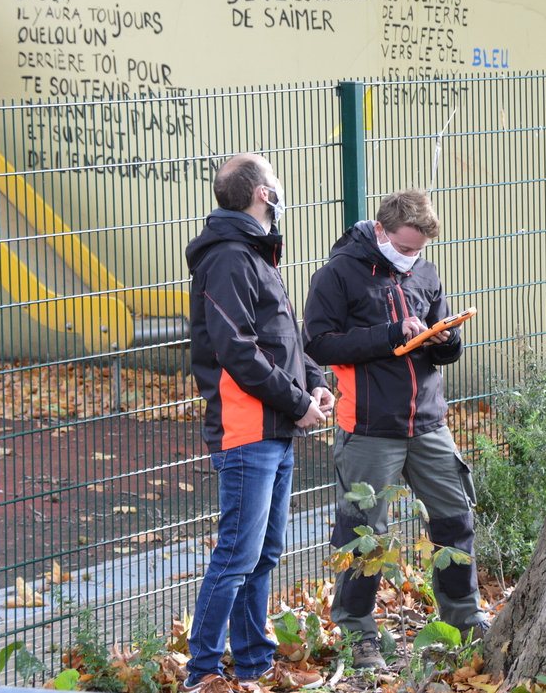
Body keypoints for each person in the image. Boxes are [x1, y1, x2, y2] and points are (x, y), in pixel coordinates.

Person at [301, 189, 488, 669]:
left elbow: (438, 343)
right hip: (368, 428)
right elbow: (319, 344)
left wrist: (445, 339)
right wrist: (389, 336)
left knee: (454, 519)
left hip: (428, 422)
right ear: (381, 232)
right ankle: (357, 634)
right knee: (367, 534)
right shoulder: (338, 274)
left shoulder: (424, 270)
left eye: (420, 249)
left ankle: (464, 622)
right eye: (405, 248)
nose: (412, 258)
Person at [183, 154, 333, 693]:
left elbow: (283, 339)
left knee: (263, 553)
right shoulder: (228, 259)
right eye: (276, 182)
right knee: (237, 555)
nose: (282, 188)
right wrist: (297, 403)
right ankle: (201, 672)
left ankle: (251, 663)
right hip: (247, 430)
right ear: (263, 195)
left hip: (274, 427)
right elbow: (237, 352)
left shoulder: (256, 254)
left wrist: (316, 380)